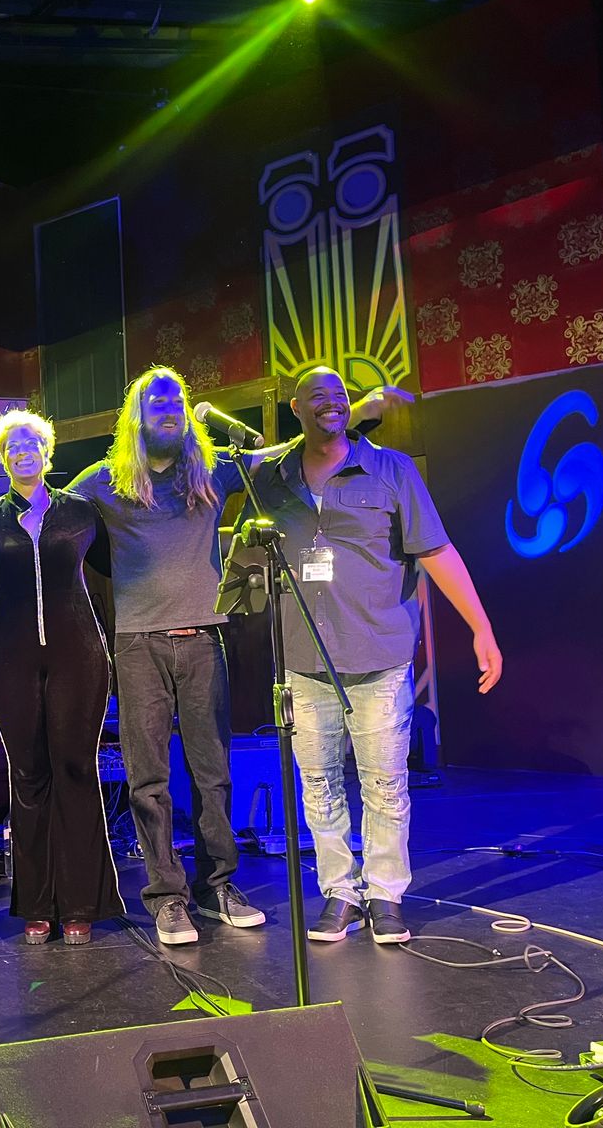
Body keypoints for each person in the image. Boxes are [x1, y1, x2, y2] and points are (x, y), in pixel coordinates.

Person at [69, 366, 406, 946]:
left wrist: (364, 411)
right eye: (156, 401)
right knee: (149, 780)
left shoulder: (213, 471)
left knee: (213, 774)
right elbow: (47, 507)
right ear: (136, 416)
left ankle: (217, 886)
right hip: (138, 644)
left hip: (204, 639)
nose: (169, 409)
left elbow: (294, 447)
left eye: (177, 400)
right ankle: (167, 897)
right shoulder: (104, 481)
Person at [243, 366, 502, 945]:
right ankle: (339, 891)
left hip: (379, 656)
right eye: (317, 396)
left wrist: (480, 627)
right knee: (319, 785)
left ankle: (385, 893)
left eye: (339, 395)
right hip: (305, 660)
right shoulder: (273, 478)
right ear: (295, 408)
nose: (331, 404)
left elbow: (436, 551)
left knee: (384, 785)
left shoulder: (391, 469)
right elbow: (242, 548)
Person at [0, 409, 122, 945]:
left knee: (75, 769)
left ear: (47, 453)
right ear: (3, 458)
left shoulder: (82, 512)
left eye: (31, 444)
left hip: (79, 655)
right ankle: (36, 904)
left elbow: (121, 566)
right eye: (12, 446)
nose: (22, 452)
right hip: (10, 658)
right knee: (27, 775)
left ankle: (81, 903)